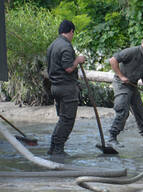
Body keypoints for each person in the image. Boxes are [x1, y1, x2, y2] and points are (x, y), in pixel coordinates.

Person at [108, 34, 143, 147]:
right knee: (122, 110)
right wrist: (121, 76)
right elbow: (113, 60)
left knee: (140, 111)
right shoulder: (131, 52)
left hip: (133, 85)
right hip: (121, 84)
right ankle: (112, 137)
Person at [46, 20, 85, 156]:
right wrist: (78, 60)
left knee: (62, 119)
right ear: (71, 31)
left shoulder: (52, 45)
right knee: (67, 120)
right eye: (73, 33)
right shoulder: (66, 46)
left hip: (55, 87)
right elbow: (68, 68)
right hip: (66, 88)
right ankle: (58, 149)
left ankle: (53, 147)